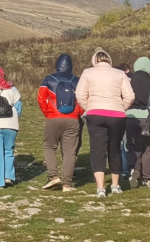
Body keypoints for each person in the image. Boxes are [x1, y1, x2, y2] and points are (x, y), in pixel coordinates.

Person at [75, 49, 131, 197]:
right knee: (115, 148)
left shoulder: (87, 72)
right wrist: (121, 107)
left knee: (97, 150)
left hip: (95, 114)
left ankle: (100, 187)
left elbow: (79, 94)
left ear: (94, 61)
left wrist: (89, 107)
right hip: (117, 115)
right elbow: (130, 96)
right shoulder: (120, 74)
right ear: (109, 61)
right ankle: (115, 184)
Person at [36, 53, 85, 191]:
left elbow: (40, 99)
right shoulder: (77, 80)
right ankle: (67, 183)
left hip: (53, 118)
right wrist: (77, 114)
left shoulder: (48, 79)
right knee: (70, 151)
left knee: (49, 146)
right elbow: (83, 99)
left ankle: (53, 176)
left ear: (57, 65)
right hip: (73, 120)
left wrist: (47, 113)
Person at [124, 56, 150, 188]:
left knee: (133, 146)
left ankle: (134, 169)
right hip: (148, 118)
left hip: (131, 117)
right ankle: (147, 178)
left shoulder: (129, 81)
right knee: (149, 148)